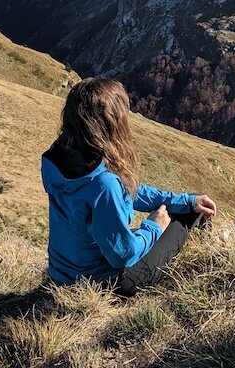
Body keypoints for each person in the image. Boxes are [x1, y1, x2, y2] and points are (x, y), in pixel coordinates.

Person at [41, 77, 218, 295]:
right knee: (189, 217)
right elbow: (122, 255)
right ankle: (214, 254)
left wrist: (185, 201)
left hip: (62, 275)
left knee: (192, 203)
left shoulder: (62, 158)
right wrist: (154, 227)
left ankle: (196, 221)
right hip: (105, 284)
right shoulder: (103, 183)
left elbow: (129, 190)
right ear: (112, 122)